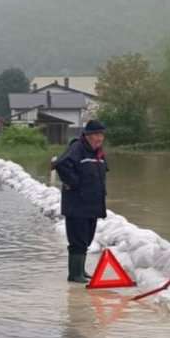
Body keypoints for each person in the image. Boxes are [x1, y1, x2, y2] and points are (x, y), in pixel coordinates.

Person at [54, 120, 109, 283]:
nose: (99, 138)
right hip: (77, 204)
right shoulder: (78, 148)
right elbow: (62, 164)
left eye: (101, 135)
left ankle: (80, 270)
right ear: (88, 135)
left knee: (86, 238)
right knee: (77, 239)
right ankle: (74, 274)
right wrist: (75, 183)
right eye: (96, 135)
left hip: (92, 205)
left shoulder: (97, 152)